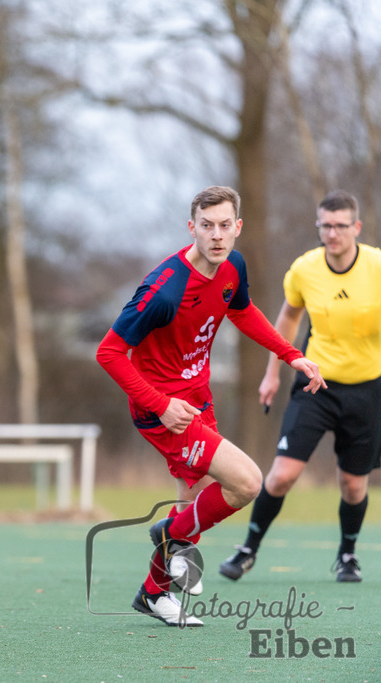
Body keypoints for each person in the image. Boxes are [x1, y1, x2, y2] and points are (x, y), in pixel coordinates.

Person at [96, 186, 325, 627]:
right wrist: (160, 405)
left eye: (225, 226)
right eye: (207, 226)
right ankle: (170, 535)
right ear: (191, 229)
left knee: (194, 498)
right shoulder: (163, 291)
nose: (216, 236)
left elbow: (242, 312)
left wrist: (291, 354)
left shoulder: (232, 264)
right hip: (162, 410)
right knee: (246, 482)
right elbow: (108, 353)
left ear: (237, 227)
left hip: (198, 397)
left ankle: (153, 593)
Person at [219, 190, 381, 584]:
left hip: (367, 391)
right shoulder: (305, 269)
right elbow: (288, 319)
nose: (332, 233)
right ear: (318, 226)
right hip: (315, 385)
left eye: (341, 226)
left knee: (353, 483)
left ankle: (347, 556)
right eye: (325, 225)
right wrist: (273, 372)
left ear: (356, 228)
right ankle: (248, 550)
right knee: (281, 476)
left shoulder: (377, 266)